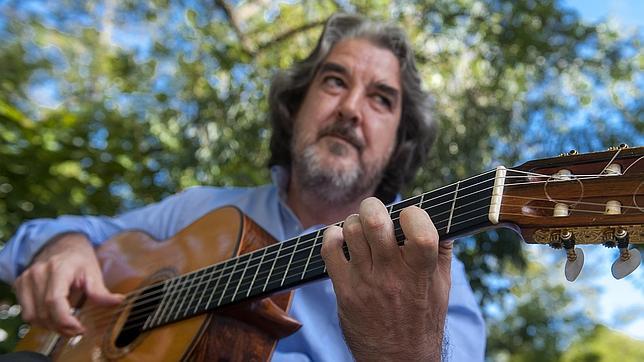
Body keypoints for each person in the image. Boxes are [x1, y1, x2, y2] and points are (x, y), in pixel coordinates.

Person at [0, 13, 485, 361]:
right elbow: (44, 237)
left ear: (399, 143)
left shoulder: (428, 268)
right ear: (296, 105)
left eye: (381, 99)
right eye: (334, 82)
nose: (350, 109)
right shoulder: (201, 210)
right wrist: (62, 247)